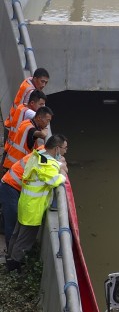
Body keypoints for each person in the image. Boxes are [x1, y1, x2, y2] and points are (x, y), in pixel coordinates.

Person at [5, 135, 67, 271]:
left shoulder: (38, 155)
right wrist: (62, 170)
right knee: (24, 241)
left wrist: (58, 164)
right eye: (64, 148)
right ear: (57, 148)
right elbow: (56, 180)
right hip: (33, 208)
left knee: (17, 235)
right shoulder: (48, 165)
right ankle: (14, 267)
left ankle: (10, 259)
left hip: (25, 203)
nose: (65, 152)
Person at [3, 106, 52, 172]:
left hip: (13, 164)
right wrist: (46, 129)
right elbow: (42, 134)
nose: (48, 123)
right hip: (14, 166)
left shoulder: (26, 122)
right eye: (47, 120)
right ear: (39, 118)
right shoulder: (29, 128)